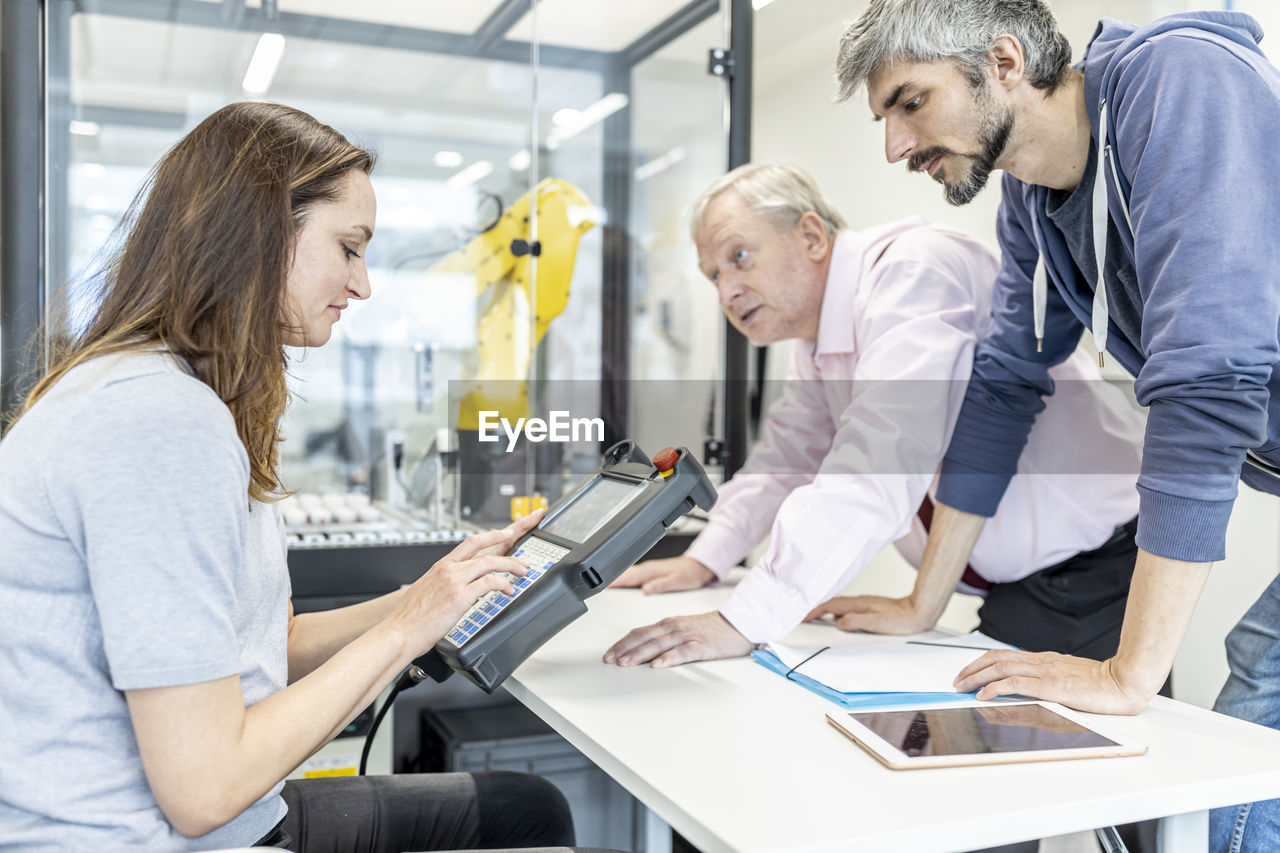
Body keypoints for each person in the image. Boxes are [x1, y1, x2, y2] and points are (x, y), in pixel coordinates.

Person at [0, 102, 581, 852]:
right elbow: (203, 790)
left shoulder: (156, 391)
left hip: (198, 818)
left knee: (525, 810)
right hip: (146, 836)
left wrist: (426, 596)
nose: (363, 284)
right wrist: (406, 631)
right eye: (348, 247)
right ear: (262, 232)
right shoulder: (156, 423)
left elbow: (264, 640)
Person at [835, 3, 1280, 850]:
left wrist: (1127, 672)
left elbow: (1208, 378)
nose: (896, 147)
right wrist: (924, 602)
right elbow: (1006, 383)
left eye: (909, 103)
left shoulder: (1180, 81)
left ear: (1002, 61)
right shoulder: (1033, 199)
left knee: (1253, 714)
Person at [603, 162, 1147, 681]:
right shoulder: (819, 340)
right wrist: (704, 560)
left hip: (1092, 573)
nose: (726, 291)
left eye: (740, 257)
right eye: (713, 275)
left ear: (812, 236)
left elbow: (880, 460)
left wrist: (743, 619)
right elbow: (784, 461)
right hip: (1019, 587)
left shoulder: (913, 273)